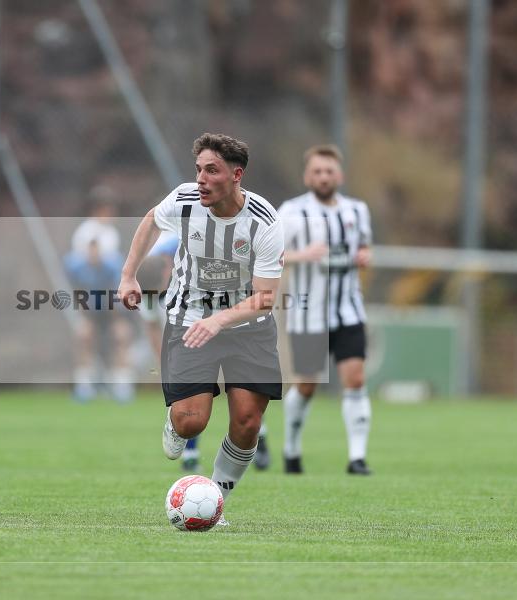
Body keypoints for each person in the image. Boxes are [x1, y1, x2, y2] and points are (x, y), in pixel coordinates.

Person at [118, 133, 284, 523]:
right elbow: (150, 222)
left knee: (247, 421)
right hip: (189, 318)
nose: (202, 179)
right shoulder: (184, 200)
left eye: (212, 170)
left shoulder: (265, 221)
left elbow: (265, 297)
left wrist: (221, 320)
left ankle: (216, 500)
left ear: (236, 175)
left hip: (249, 325)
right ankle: (176, 421)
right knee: (191, 421)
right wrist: (128, 275)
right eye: (198, 170)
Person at [278, 144, 374, 476]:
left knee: (356, 379)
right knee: (307, 386)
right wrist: (302, 255)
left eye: (329, 171)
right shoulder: (290, 212)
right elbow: (268, 255)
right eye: (317, 171)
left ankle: (357, 458)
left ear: (340, 175)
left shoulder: (357, 211)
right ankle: (291, 450)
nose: (323, 176)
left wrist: (364, 257)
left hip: (348, 311)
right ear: (307, 176)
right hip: (308, 314)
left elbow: (362, 247)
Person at [65, 196, 134, 403]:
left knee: (120, 336)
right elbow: (77, 279)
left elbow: (118, 277)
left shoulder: (111, 240)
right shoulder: (82, 242)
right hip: (91, 299)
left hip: (112, 297)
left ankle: (122, 385)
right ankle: (84, 386)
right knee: (85, 336)